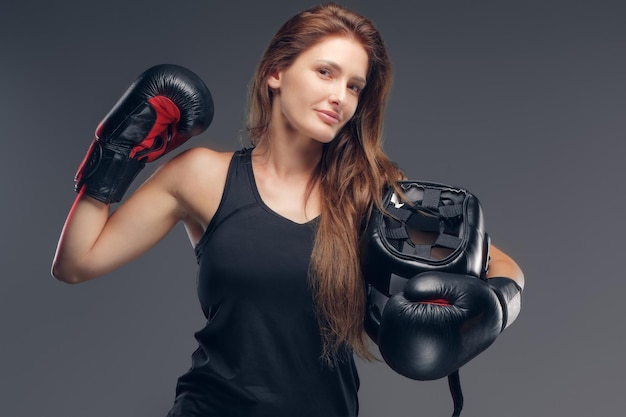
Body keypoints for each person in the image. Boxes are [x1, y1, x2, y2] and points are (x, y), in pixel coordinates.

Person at [51, 2, 524, 416]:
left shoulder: (371, 194)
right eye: (326, 72)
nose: (340, 97)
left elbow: (501, 265)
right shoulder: (203, 176)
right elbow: (77, 263)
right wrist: (115, 156)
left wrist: (493, 307)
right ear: (276, 72)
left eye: (355, 87)